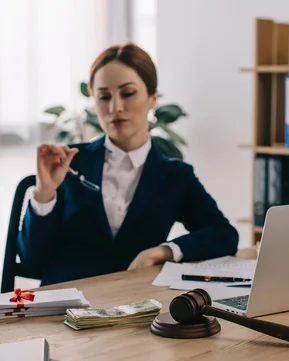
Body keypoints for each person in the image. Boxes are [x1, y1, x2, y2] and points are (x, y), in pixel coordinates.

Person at [17, 42, 239, 286]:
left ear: (152, 97)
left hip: (133, 305)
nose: (115, 107)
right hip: (64, 307)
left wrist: (161, 252)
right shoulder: (69, 163)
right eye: (104, 97)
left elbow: (224, 235)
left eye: (128, 93)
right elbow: (31, 259)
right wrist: (44, 193)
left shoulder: (174, 176)